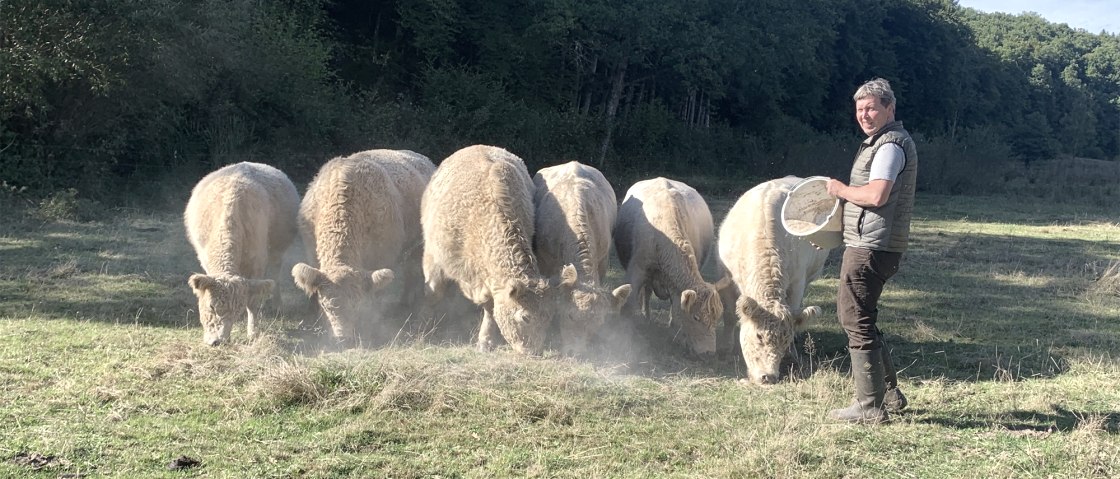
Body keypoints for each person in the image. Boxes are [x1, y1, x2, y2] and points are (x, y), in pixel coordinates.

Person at [825, 78, 918, 424]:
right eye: (860, 109)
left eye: (871, 108)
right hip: (877, 245)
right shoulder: (883, 142)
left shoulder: (889, 146)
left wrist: (840, 189)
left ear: (889, 108)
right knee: (863, 313)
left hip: (870, 247)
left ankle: (869, 408)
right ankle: (889, 395)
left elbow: (877, 195)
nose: (864, 115)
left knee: (854, 317)